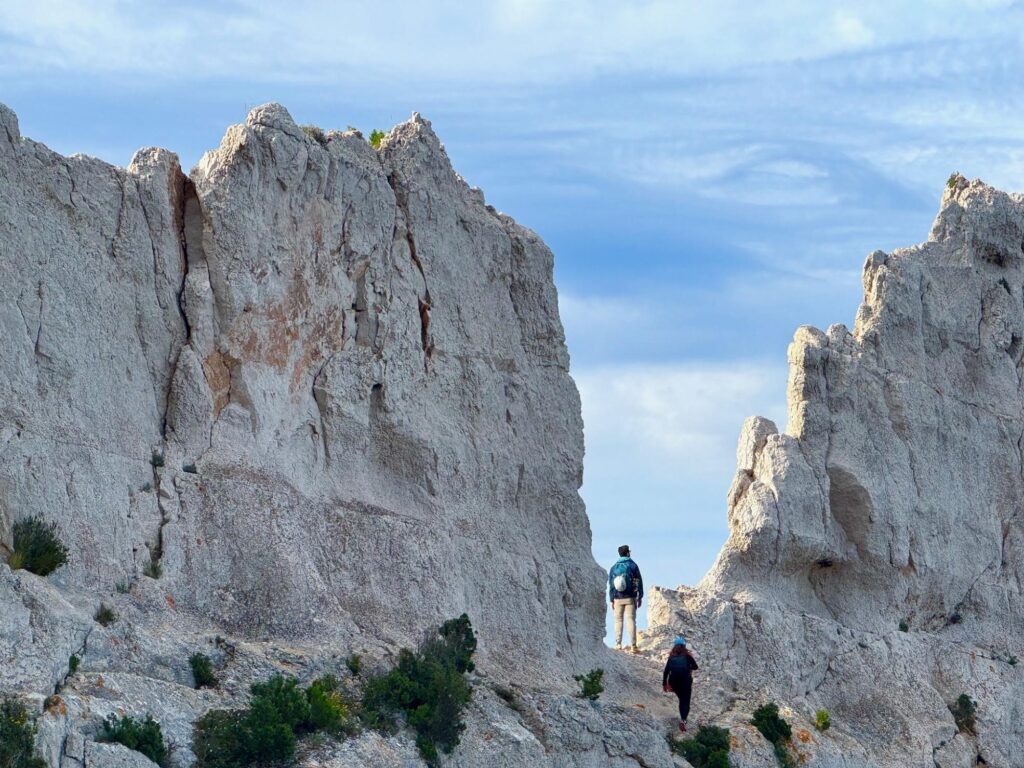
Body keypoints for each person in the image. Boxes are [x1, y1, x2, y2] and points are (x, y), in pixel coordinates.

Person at [608, 544, 643, 652]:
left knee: (618, 620)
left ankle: (618, 644)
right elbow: (639, 581)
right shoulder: (633, 566)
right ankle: (633, 646)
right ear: (628, 553)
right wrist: (639, 596)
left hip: (617, 598)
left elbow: (611, 585)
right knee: (631, 620)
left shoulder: (614, 567)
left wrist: (611, 599)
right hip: (630, 597)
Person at [662, 636, 698, 732]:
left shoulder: (671, 657)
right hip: (685, 681)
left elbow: (666, 671)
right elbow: (695, 667)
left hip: (674, 682)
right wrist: (689, 666)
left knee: (682, 699)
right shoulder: (687, 655)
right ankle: (683, 720)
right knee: (685, 702)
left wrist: (664, 684)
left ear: (674, 646)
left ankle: (683, 719)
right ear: (684, 645)